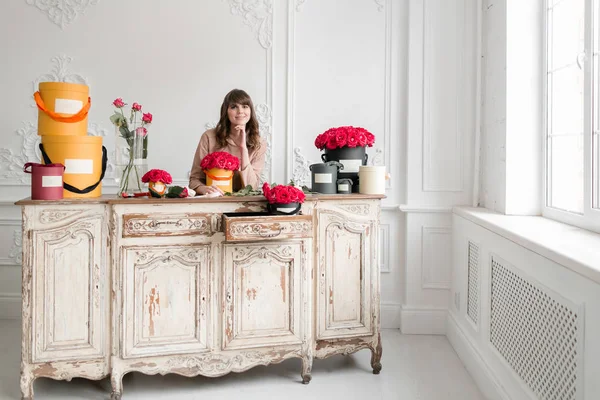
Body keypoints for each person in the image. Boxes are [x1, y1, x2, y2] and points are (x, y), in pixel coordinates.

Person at [189, 89, 267, 195]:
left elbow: (252, 187)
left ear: (250, 111)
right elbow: (194, 179)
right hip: (214, 201)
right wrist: (203, 189)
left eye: (245, 106)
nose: (240, 111)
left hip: (244, 204)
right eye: (234, 107)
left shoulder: (259, 143)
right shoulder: (209, 137)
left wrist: (243, 147)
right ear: (226, 111)